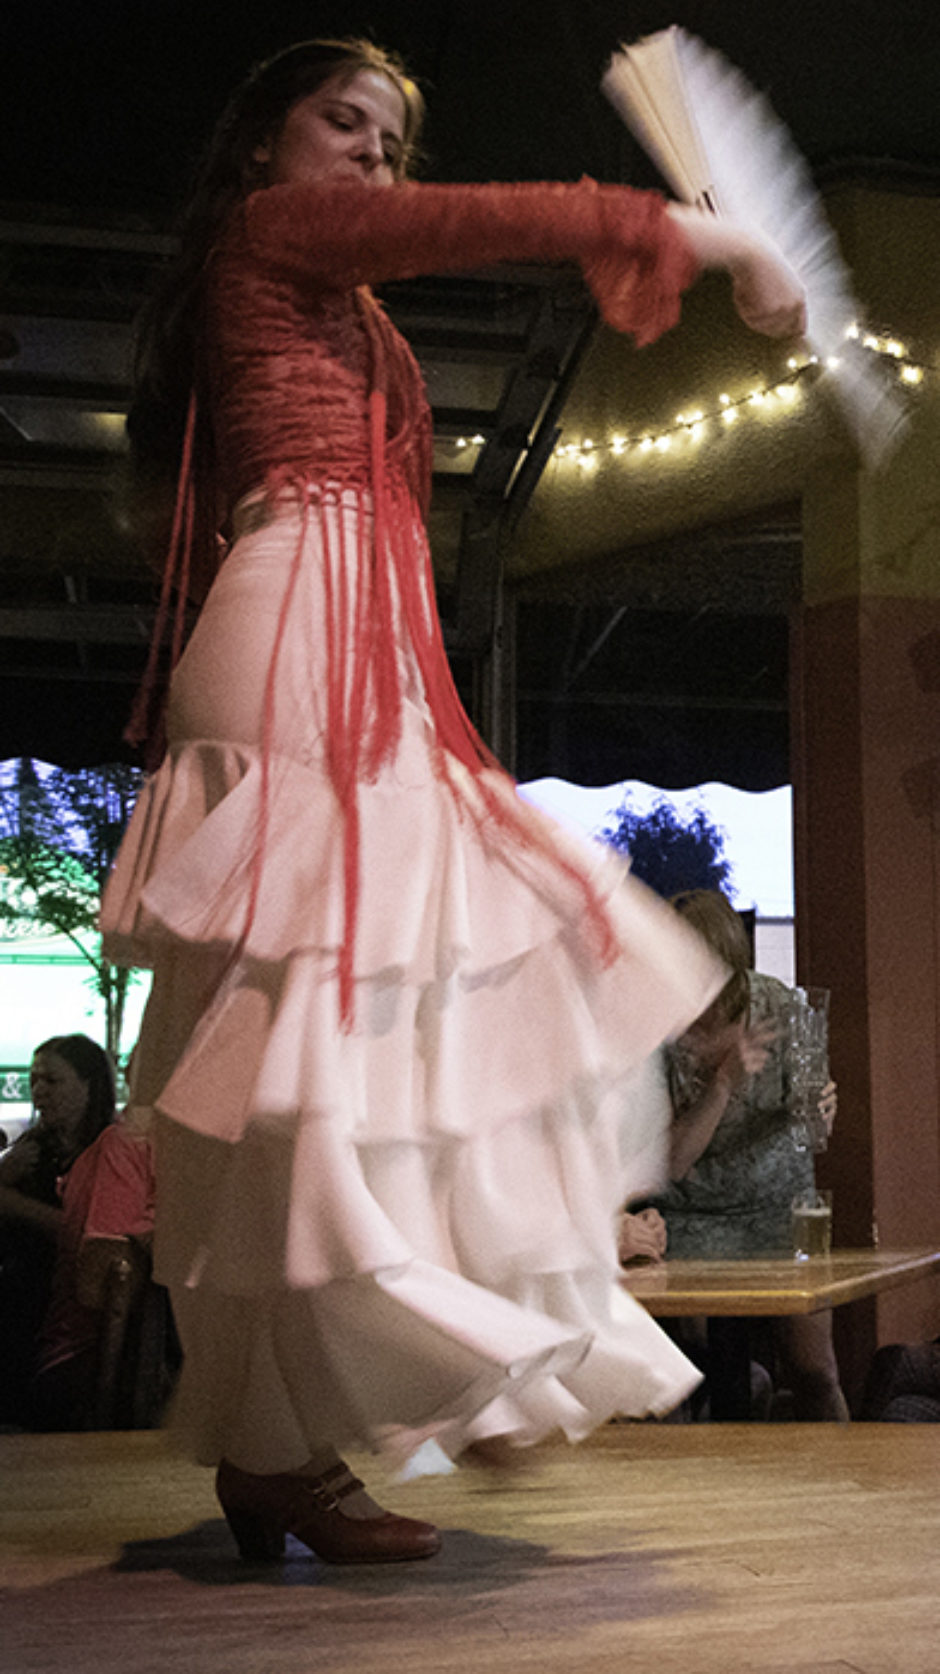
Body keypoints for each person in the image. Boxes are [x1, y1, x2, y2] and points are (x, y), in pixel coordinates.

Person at [99, 36, 808, 1562]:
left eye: (391, 136)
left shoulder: (332, 294)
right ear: (261, 143)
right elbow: (463, 223)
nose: (370, 153)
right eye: (340, 120)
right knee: (327, 1040)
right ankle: (312, 1425)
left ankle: (327, 1416)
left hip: (365, 632)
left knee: (409, 1016)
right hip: (301, 614)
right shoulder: (269, 233)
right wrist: (679, 233)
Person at [646, 890, 848, 1420]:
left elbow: (812, 1129)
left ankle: (844, 1484)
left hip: (779, 1206)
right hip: (689, 1216)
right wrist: (722, 1084)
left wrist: (823, 1107)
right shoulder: (655, 1026)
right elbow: (670, 1165)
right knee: (693, 1374)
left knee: (816, 1372)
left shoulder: (783, 1006)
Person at [0, 1034, 116, 1424]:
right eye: (34, 1080)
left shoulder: (107, 1151)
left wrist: (16, 1205)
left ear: (89, 1085)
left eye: (52, 1081)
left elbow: (92, 1231)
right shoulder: (33, 1149)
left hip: (66, 1299)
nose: (38, 1092)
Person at [29, 1107, 157, 1431]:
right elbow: (102, 1272)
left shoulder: (130, 1141)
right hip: (85, 1361)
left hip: (86, 1358)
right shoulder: (126, 1142)